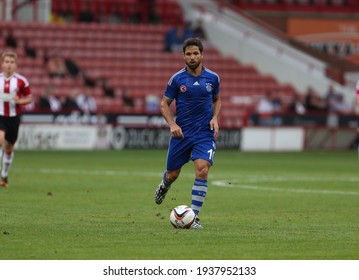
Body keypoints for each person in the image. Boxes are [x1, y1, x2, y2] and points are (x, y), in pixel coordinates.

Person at [154, 38, 221, 229]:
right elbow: (164, 104)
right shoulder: (177, 79)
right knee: (173, 174)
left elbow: (218, 100)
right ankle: (164, 185)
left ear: (202, 54)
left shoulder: (213, 78)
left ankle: (194, 218)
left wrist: (215, 118)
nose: (192, 57)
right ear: (184, 56)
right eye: (188, 54)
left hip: (204, 134)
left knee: (202, 169)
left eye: (195, 53)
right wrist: (172, 124)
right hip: (181, 134)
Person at [0, 51, 33, 187]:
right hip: (0, 115)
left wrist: (19, 101)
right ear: (2, 64)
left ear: (15, 65)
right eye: (6, 62)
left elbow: (29, 98)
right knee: (0, 139)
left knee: (9, 148)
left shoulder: (21, 81)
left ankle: (4, 175)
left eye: (11, 62)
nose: (9, 65)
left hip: (14, 117)